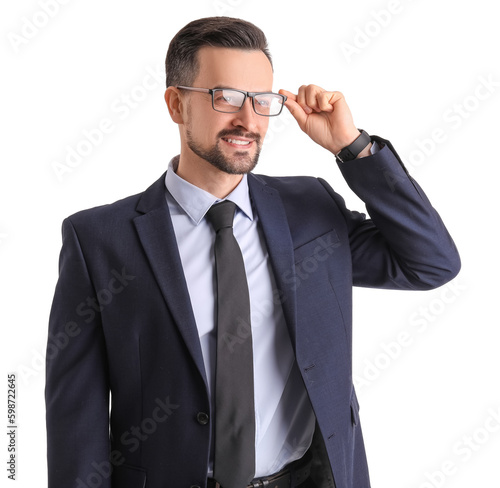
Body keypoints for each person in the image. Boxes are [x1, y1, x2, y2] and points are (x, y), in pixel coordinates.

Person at [45, 16, 460, 488]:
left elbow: (432, 263)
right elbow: (75, 418)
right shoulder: (100, 239)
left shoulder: (310, 209)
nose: (247, 120)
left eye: (261, 101)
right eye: (226, 98)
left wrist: (353, 148)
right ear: (176, 104)